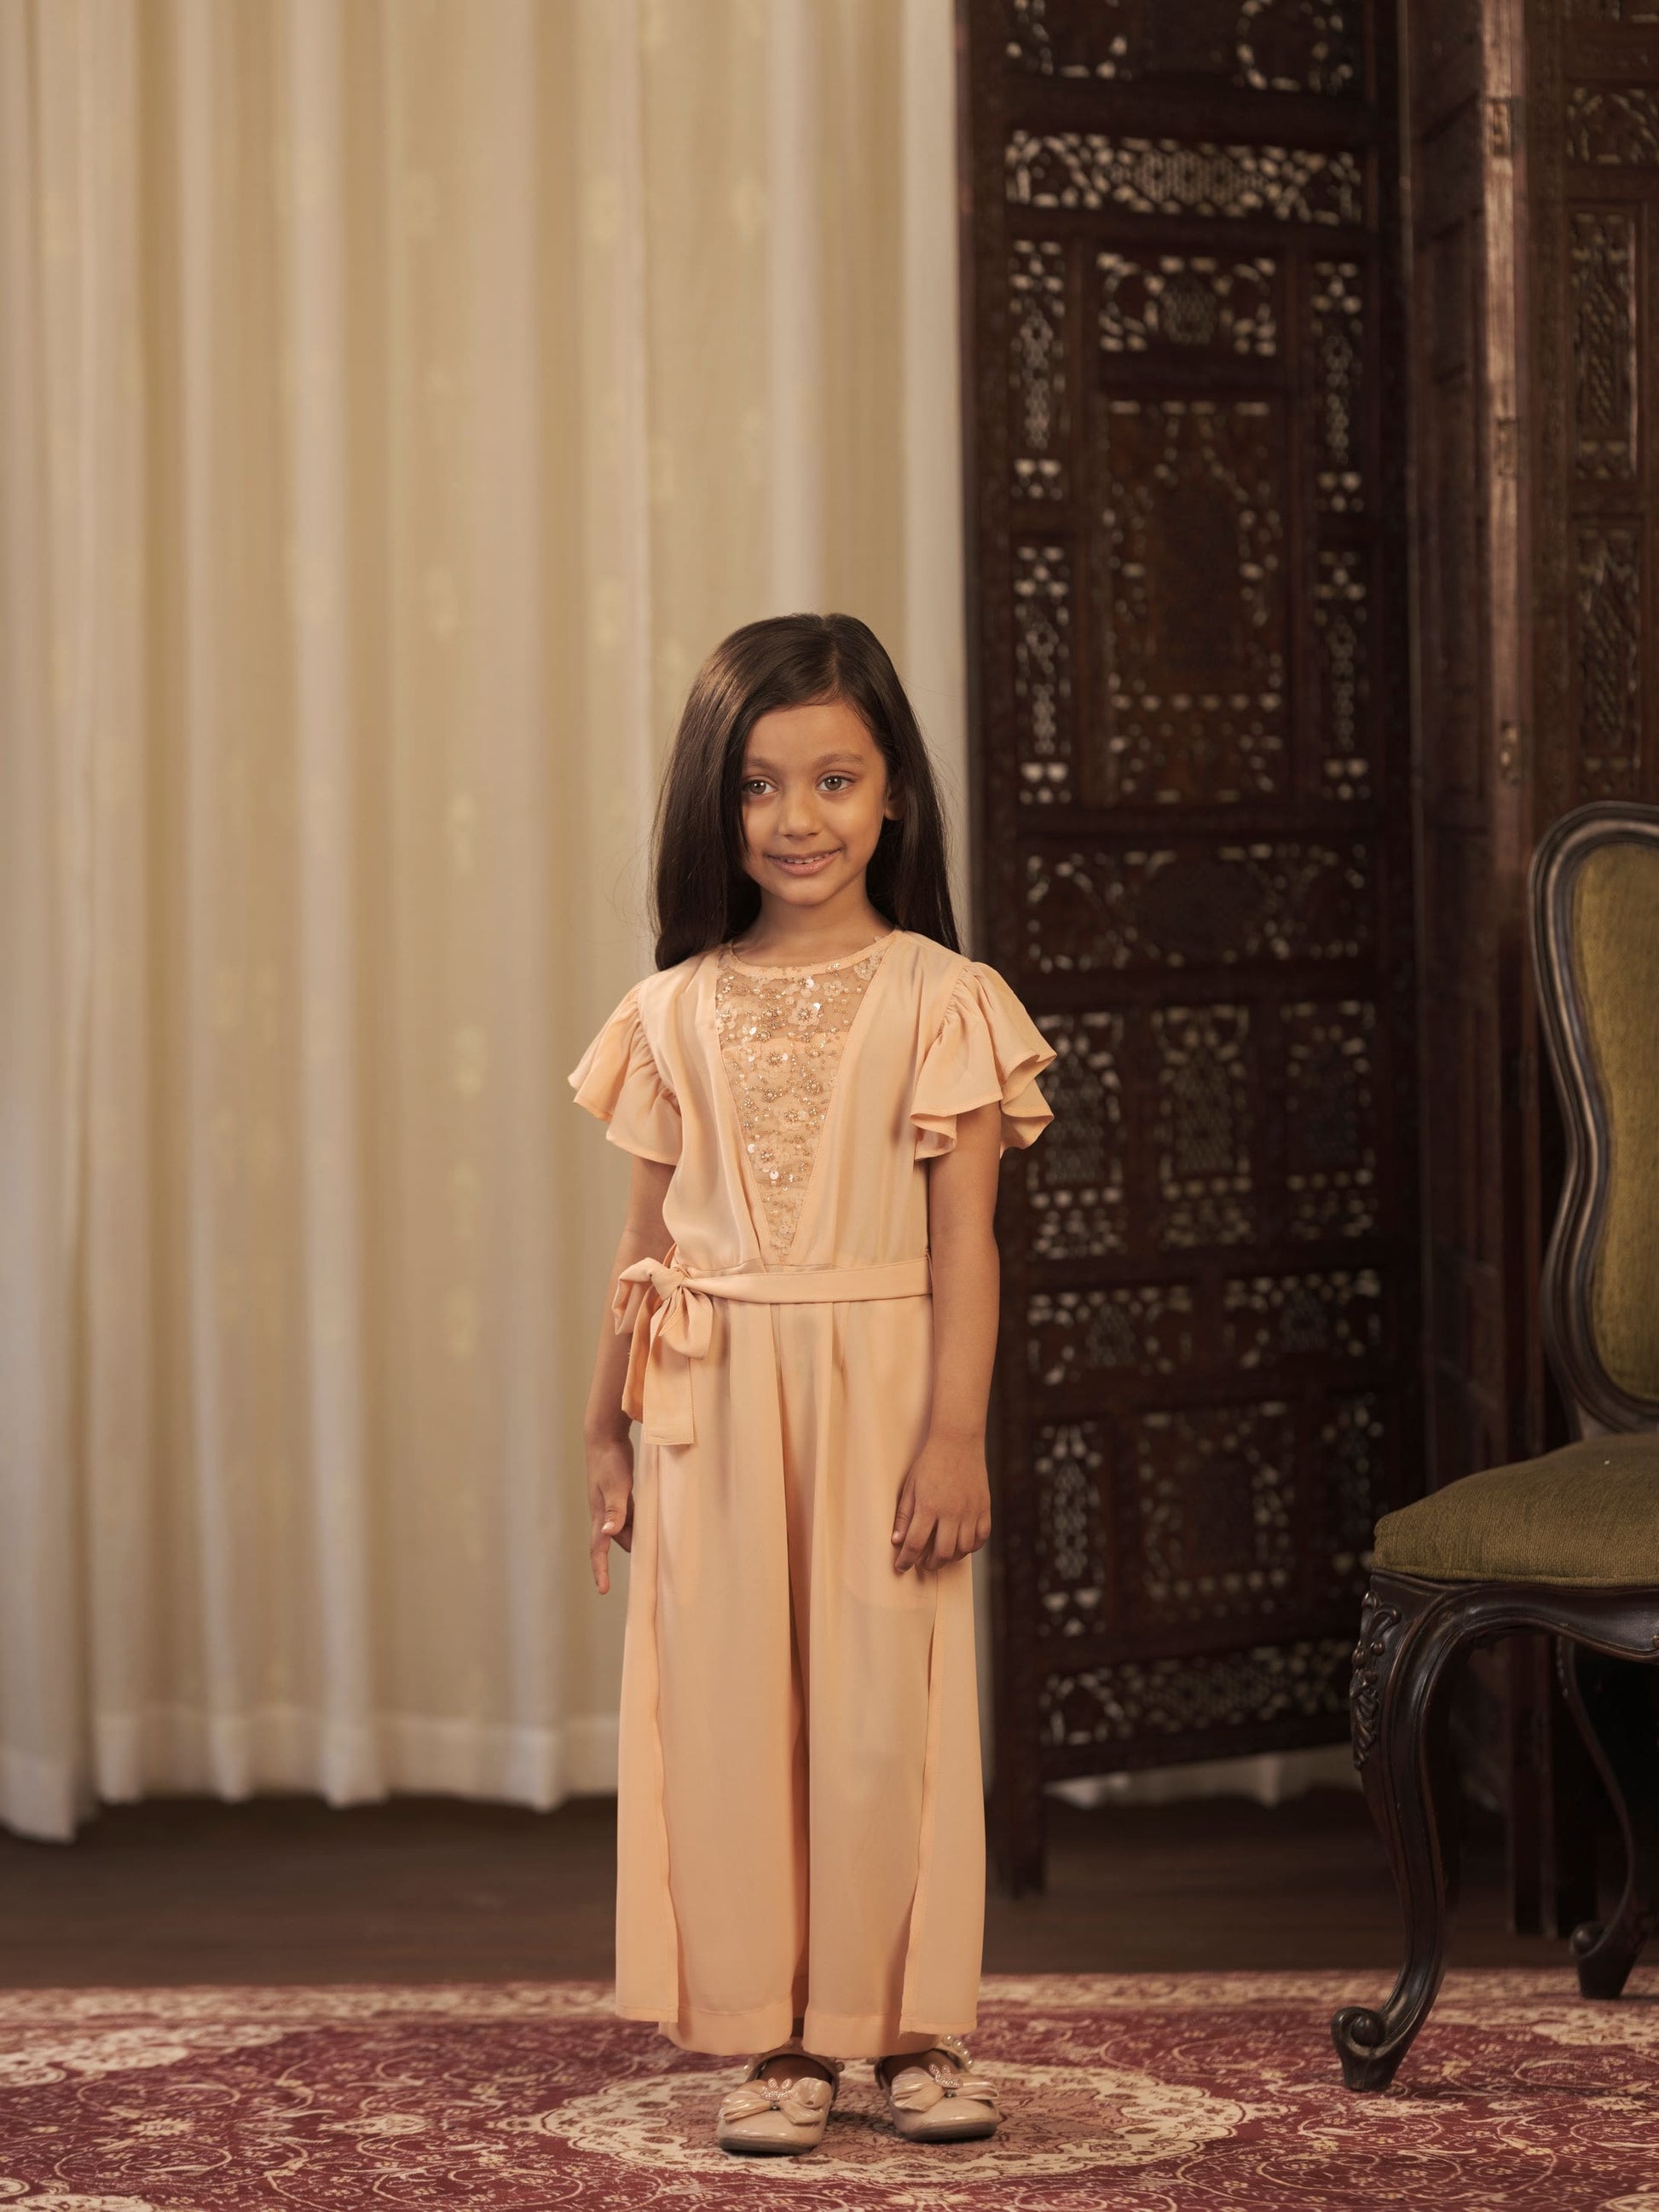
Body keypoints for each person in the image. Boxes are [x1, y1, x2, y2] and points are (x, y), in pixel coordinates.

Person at [568, 612, 1056, 2156]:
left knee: (878, 1718)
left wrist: (956, 1435)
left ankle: (907, 2031)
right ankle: (775, 2040)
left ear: (892, 791)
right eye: (759, 785)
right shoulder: (668, 1008)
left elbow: (966, 1244)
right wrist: (602, 1431)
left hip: (885, 1397)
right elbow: (642, 1246)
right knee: (729, 1717)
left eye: (833, 780)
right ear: (712, 802)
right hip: (707, 1402)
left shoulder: (943, 997)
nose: (796, 819)